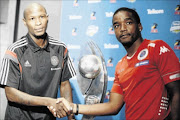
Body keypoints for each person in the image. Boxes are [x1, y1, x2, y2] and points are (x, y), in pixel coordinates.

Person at [49, 7, 180, 120]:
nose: (122, 29)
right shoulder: (120, 65)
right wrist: (74, 107)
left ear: (139, 26)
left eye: (128, 22)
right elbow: (113, 106)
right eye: (117, 25)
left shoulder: (156, 48)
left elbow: (177, 92)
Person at [0, 3, 76, 120]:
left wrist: (71, 117)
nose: (38, 23)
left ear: (47, 18)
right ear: (24, 22)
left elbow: (65, 84)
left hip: (48, 118)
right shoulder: (15, 50)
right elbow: (10, 94)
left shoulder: (61, 48)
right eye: (32, 18)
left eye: (41, 17)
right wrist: (48, 101)